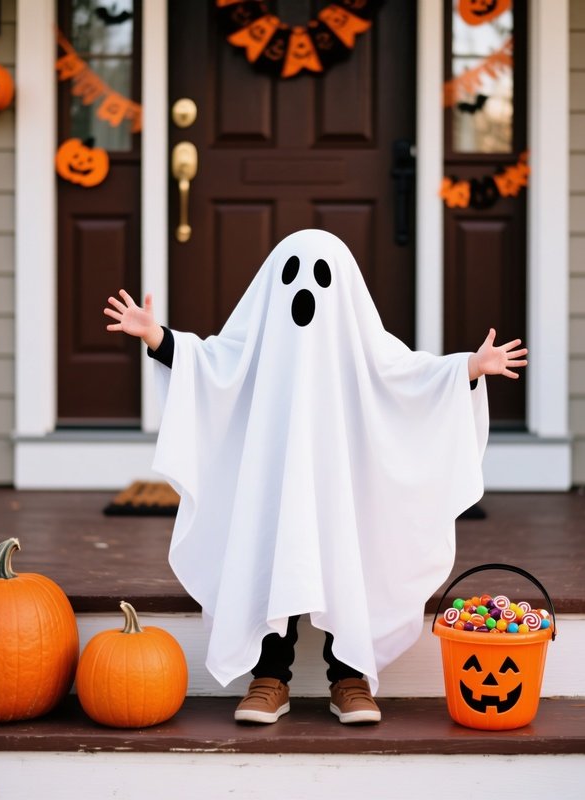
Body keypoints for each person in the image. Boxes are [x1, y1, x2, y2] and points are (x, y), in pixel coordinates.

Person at [104, 229, 527, 725]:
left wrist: (468, 369)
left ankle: (349, 675)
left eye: (321, 279)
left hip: (346, 491)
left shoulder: (366, 351)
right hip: (271, 487)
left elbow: (411, 377)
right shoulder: (255, 345)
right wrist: (157, 336)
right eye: (291, 277)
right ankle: (269, 676)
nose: (305, 292)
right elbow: (212, 364)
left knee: (351, 557)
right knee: (268, 551)